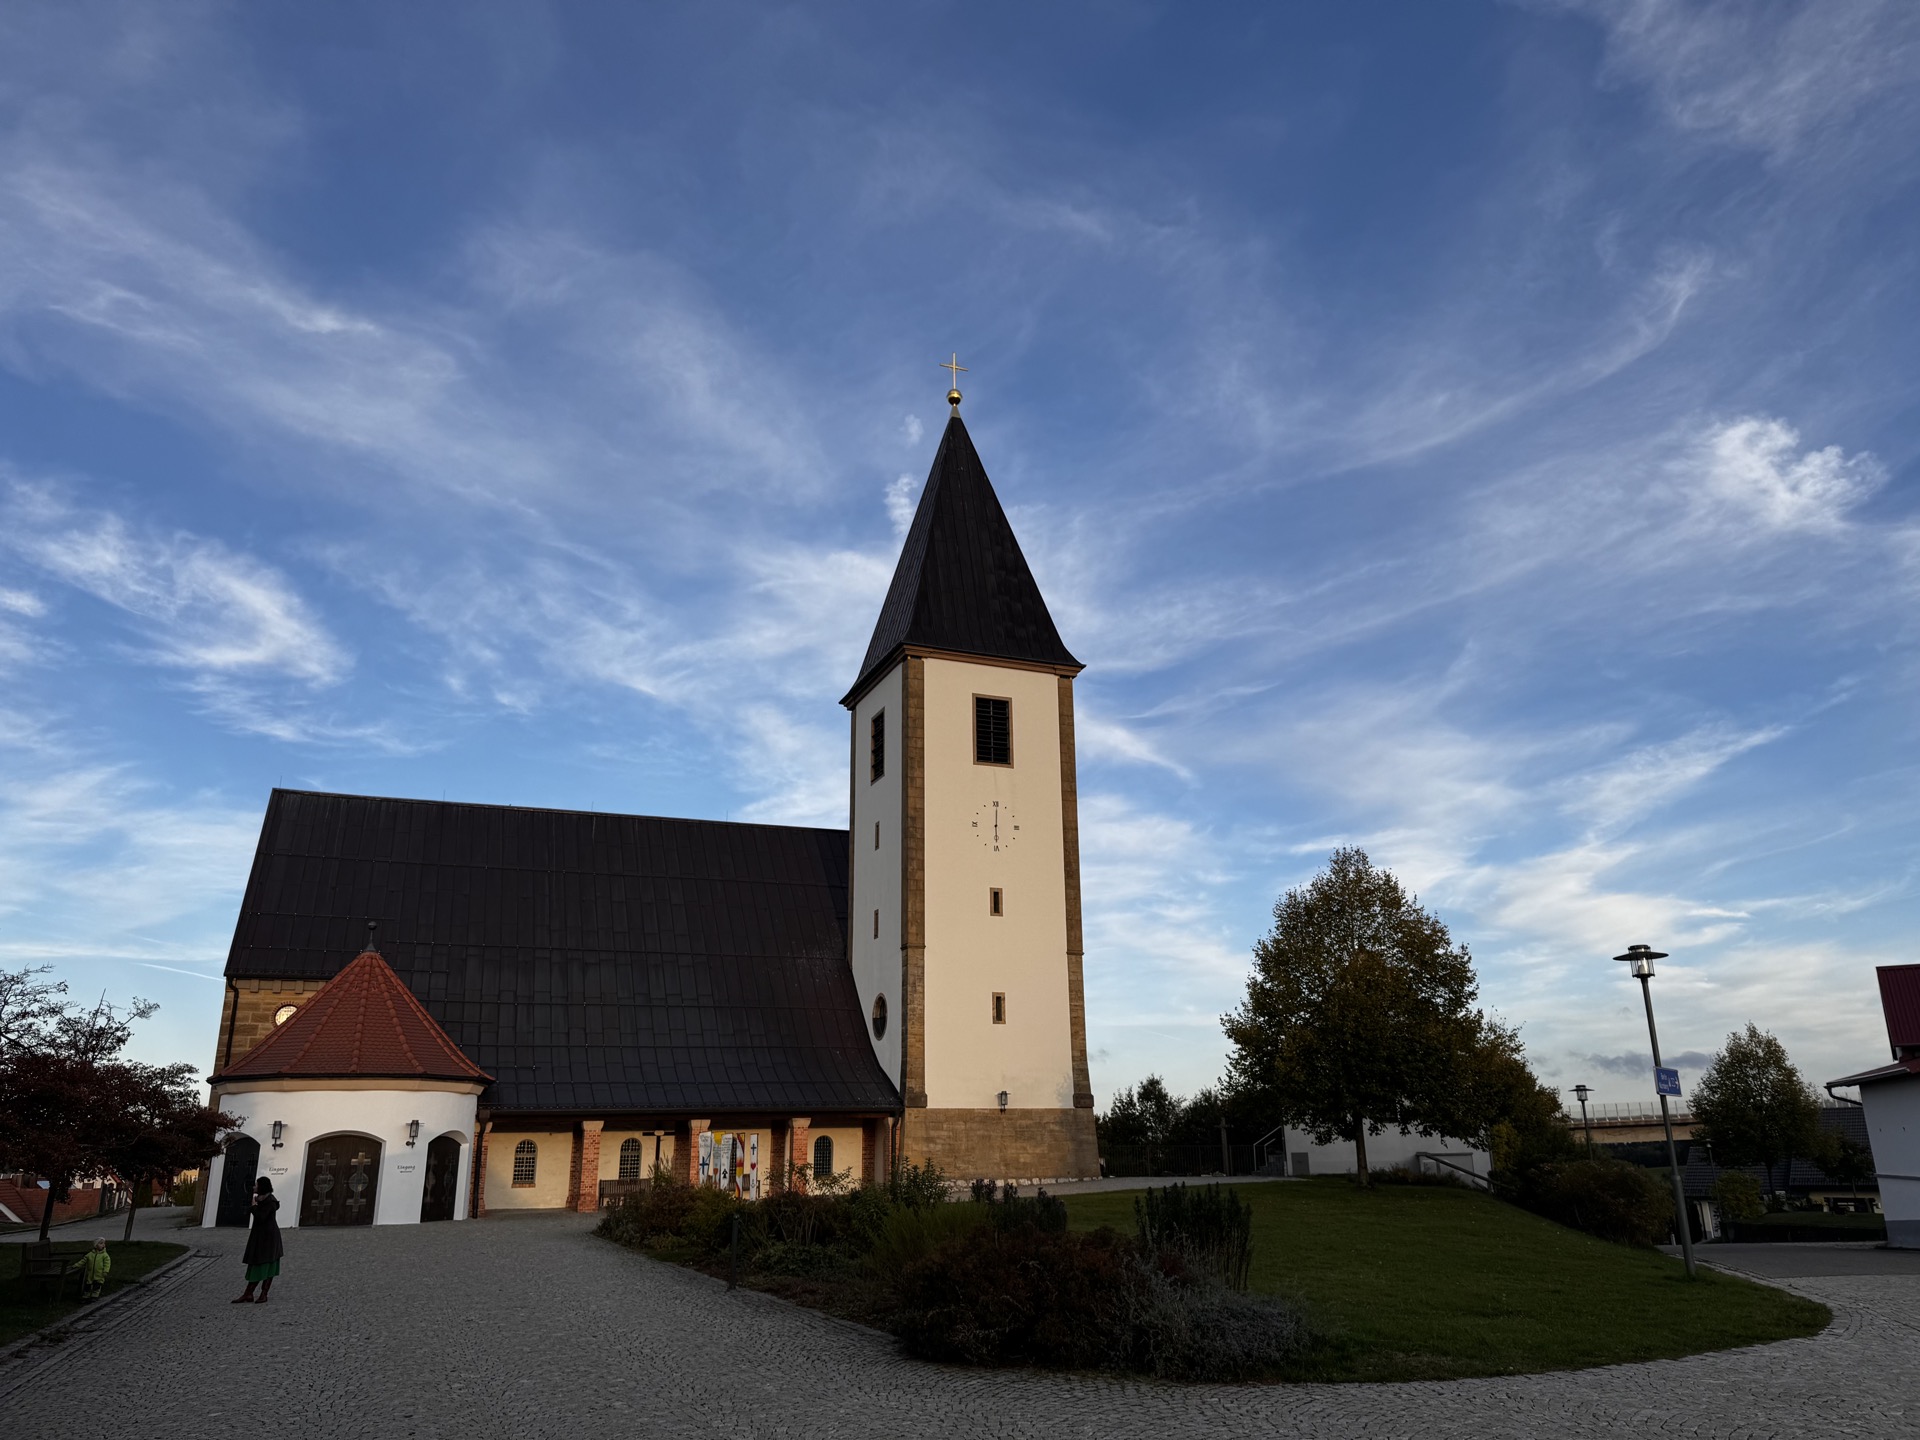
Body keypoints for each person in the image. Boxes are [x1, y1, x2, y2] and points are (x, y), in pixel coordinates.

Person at [233, 1176, 282, 1304]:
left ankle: (263, 1293)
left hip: (269, 1238)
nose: (254, 1187)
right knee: (256, 1263)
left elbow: (262, 1217)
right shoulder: (259, 1199)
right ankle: (248, 1294)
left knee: (266, 1264)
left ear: (262, 1187)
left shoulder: (270, 1201)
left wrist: (254, 1207)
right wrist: (253, 1206)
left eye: (256, 1185)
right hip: (259, 1236)